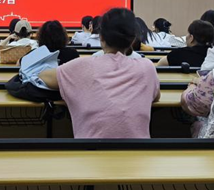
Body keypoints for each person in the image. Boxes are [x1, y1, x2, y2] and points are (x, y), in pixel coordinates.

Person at [38, 8, 160, 139]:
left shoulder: (80, 66)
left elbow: (43, 77)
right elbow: (156, 96)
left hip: (90, 149)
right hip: (138, 150)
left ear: (101, 37)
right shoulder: (147, 67)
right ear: (132, 40)